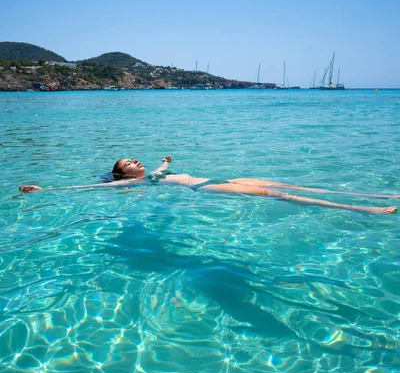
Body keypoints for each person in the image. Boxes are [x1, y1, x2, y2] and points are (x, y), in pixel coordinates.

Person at [19, 155, 398, 215]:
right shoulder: (127, 185)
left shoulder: (154, 170)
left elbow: (165, 165)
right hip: (205, 188)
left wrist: (165, 160)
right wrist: (48, 191)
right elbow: (91, 189)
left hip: (222, 177)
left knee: (285, 181)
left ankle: (374, 194)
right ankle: (366, 210)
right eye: (128, 163)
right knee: (277, 195)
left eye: (135, 158)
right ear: (122, 175)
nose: (135, 162)